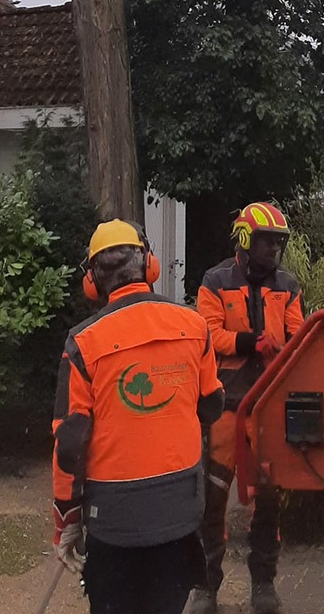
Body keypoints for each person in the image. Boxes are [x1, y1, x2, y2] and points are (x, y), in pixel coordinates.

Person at [51, 219, 224, 614]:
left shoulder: (82, 343)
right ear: (149, 265)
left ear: (93, 281)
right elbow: (212, 405)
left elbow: (69, 445)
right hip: (180, 513)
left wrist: (67, 519)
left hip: (113, 522)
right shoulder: (195, 325)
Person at [189, 202, 305, 614]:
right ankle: (206, 587)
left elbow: (299, 337)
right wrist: (247, 342)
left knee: (269, 498)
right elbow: (207, 333)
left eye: (278, 242)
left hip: (268, 406)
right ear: (244, 240)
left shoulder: (288, 285)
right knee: (212, 499)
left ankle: (264, 584)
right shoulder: (215, 280)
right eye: (266, 241)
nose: (273, 249)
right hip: (225, 405)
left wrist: (289, 350)